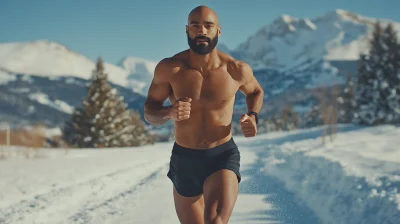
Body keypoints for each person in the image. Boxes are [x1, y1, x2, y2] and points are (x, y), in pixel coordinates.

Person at [144, 5, 264, 224]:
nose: (201, 31)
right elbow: (149, 112)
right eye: (195, 26)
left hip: (221, 156)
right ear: (187, 30)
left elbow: (255, 91)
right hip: (184, 159)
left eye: (208, 26)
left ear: (218, 31)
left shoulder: (235, 69)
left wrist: (253, 115)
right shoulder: (170, 69)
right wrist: (169, 112)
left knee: (215, 221)